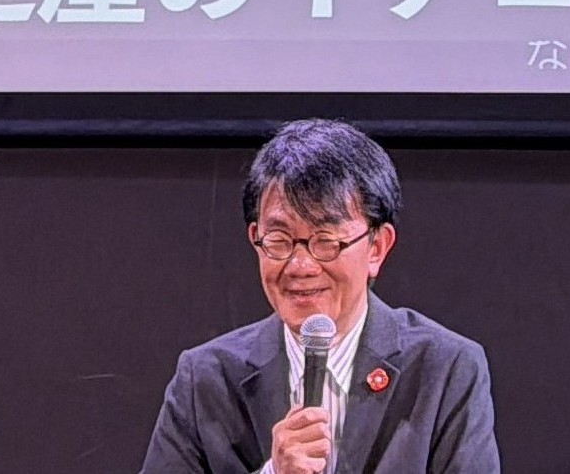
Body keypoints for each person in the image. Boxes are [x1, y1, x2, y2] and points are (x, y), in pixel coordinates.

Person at [140, 119, 498, 474]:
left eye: (325, 241)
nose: (300, 265)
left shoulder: (445, 369)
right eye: (279, 240)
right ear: (256, 239)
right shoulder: (205, 379)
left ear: (377, 247)